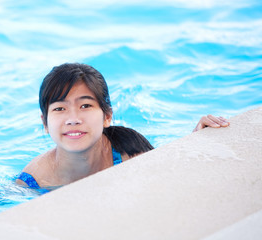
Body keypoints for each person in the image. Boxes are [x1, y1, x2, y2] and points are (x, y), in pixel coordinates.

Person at [16, 63, 230, 190]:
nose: (73, 118)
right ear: (45, 123)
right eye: (60, 109)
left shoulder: (129, 155)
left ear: (107, 116)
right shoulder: (34, 180)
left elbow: (176, 178)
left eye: (85, 105)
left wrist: (195, 141)